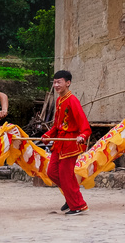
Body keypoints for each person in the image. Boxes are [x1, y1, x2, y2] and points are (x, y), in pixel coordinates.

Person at [41, 70, 92, 215]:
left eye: (59, 82)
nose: (56, 85)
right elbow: (57, 126)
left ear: (68, 83)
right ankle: (71, 198)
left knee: (66, 175)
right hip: (59, 143)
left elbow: (85, 125)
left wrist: (83, 135)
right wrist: (47, 135)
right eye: (54, 82)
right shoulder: (59, 101)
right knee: (52, 172)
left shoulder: (72, 100)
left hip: (70, 144)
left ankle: (78, 205)